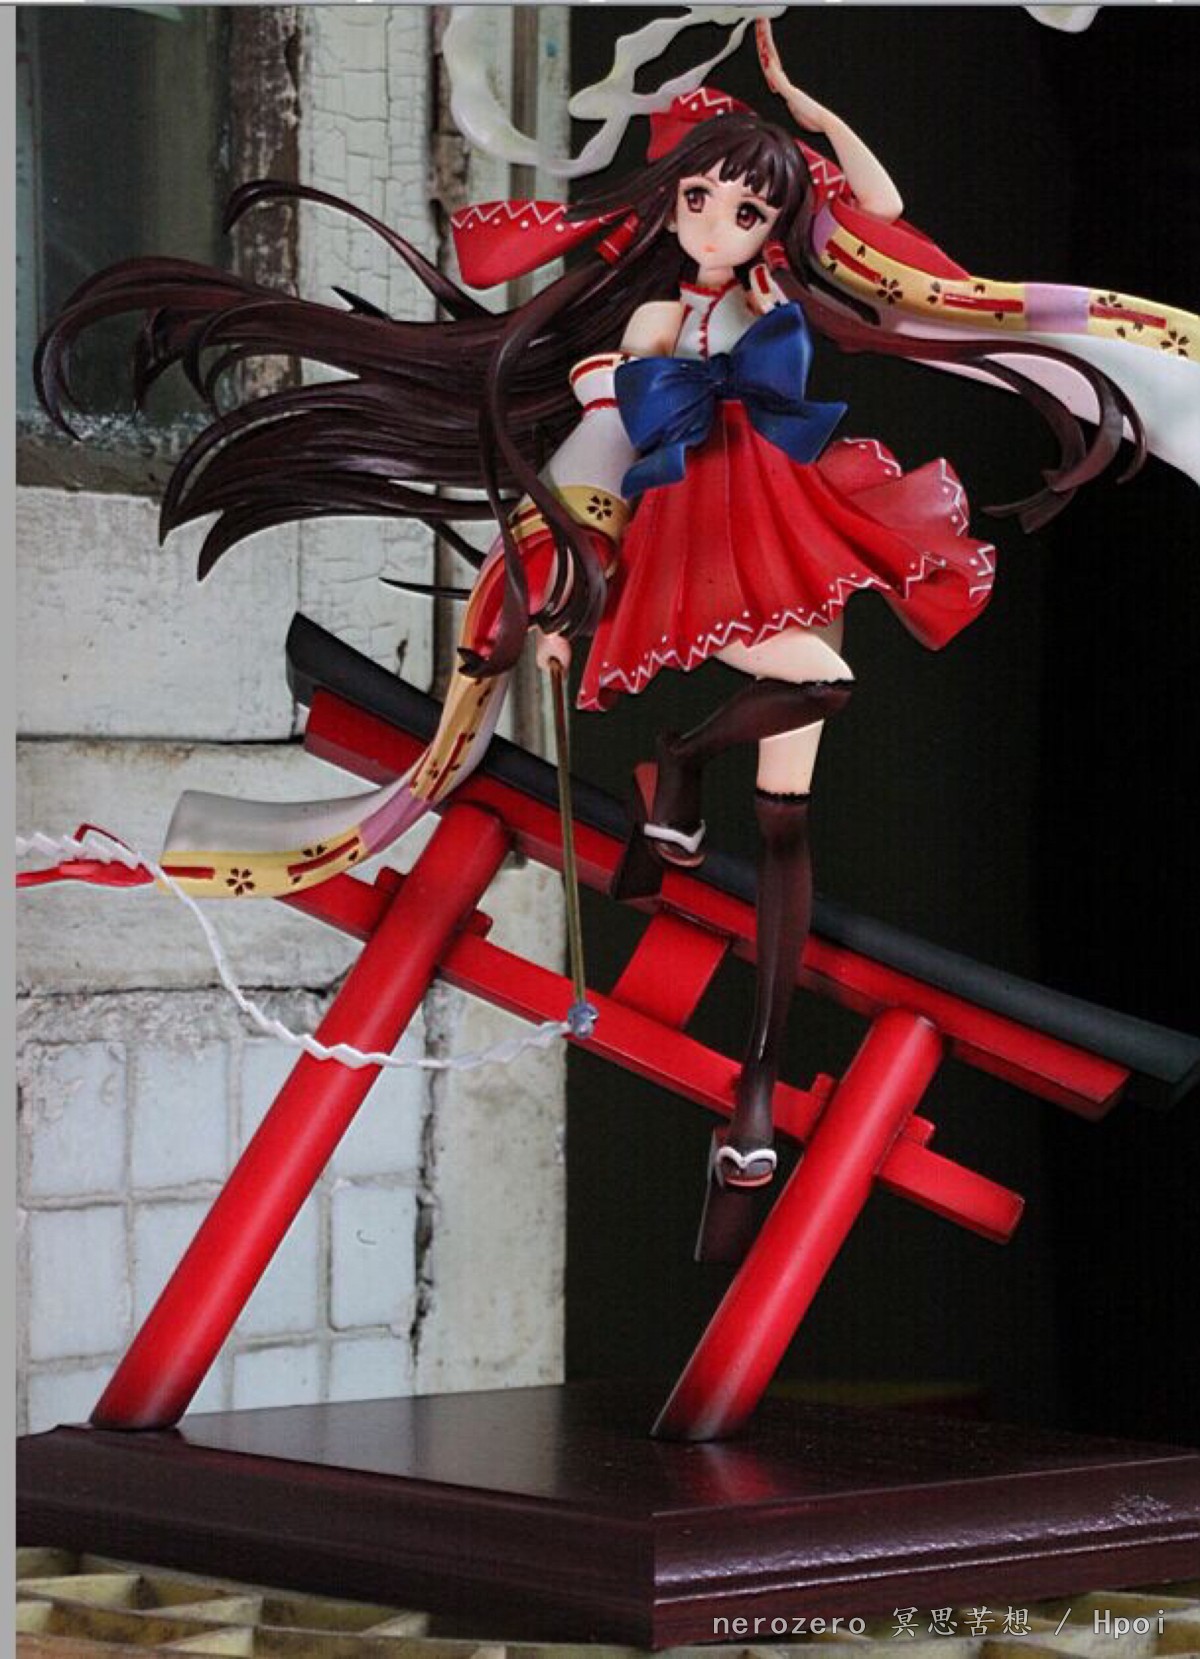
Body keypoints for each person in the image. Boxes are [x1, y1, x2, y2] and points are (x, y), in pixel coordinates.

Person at [36, 24, 1190, 1199]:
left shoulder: (777, 295)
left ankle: (755, 1085)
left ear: (776, 225)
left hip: (791, 530)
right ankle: (679, 766)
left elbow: (881, 206)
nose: (718, 225)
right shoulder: (644, 329)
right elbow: (594, 461)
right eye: (701, 200)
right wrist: (558, 590)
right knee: (823, 681)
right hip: (695, 551)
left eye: (748, 211)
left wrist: (805, 105)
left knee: (786, 826)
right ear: (672, 202)